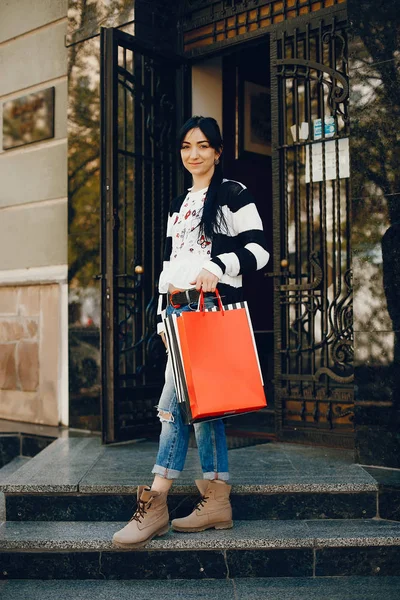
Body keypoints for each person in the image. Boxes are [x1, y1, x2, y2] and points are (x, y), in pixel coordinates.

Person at [112, 116, 270, 549]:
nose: (193, 154)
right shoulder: (179, 203)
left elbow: (260, 250)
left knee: (173, 407)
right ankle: (217, 500)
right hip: (178, 315)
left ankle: (156, 500)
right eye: (186, 146)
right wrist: (163, 316)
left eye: (202, 146)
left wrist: (218, 266)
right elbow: (172, 262)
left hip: (209, 314)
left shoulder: (233, 194)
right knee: (204, 408)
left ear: (218, 151)